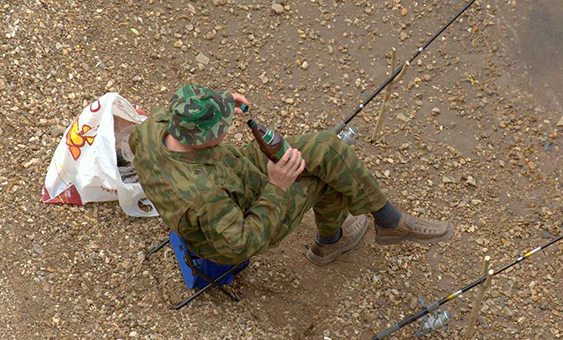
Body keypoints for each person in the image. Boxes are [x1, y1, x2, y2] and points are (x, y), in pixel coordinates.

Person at [129, 84, 453, 266]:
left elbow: (193, 114)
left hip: (232, 170)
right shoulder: (201, 197)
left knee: (327, 147)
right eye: (223, 127)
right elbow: (241, 244)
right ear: (202, 140)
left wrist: (222, 103)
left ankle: (388, 219)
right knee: (327, 183)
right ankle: (329, 243)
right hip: (238, 218)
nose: (229, 126)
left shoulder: (156, 127)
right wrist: (276, 187)